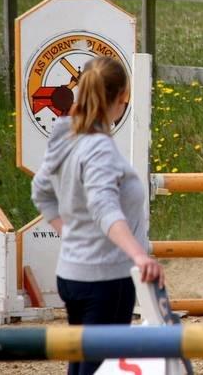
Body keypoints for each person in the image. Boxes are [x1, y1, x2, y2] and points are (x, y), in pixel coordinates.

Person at [31, 56, 164, 375]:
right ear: (121, 99)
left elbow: (40, 191)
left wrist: (73, 232)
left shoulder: (66, 136)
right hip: (106, 278)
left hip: (72, 274)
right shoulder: (99, 148)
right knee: (98, 367)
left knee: (81, 363)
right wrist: (139, 256)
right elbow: (104, 208)